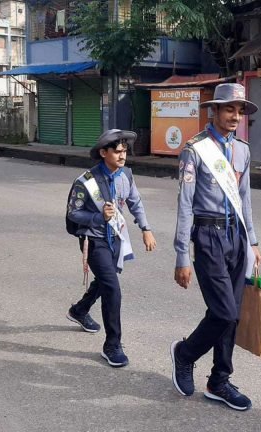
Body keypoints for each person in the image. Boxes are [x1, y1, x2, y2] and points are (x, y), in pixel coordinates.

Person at [170, 83, 261, 411]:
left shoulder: (242, 151)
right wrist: (182, 254)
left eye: (239, 110)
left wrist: (252, 241)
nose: (235, 116)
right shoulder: (195, 150)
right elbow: (184, 204)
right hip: (207, 236)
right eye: (229, 109)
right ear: (215, 111)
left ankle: (219, 380)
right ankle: (185, 353)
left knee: (232, 315)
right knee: (224, 311)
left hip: (236, 236)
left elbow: (246, 199)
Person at [65, 129, 156, 368]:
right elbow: (73, 213)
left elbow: (135, 202)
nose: (122, 155)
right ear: (103, 153)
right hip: (93, 240)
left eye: (124, 151)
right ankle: (112, 344)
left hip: (115, 237)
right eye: (117, 151)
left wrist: (146, 228)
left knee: (106, 280)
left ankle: (79, 309)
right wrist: (97, 218)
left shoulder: (126, 175)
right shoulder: (86, 181)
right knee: (112, 289)